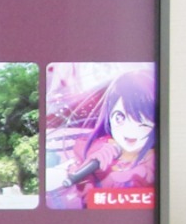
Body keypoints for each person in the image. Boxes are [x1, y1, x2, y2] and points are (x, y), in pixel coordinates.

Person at [57, 66, 157, 205]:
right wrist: (88, 173)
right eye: (119, 117)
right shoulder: (97, 148)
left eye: (143, 121)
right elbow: (86, 198)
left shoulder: (155, 160)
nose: (129, 130)